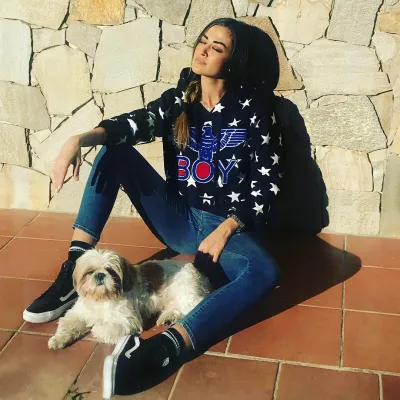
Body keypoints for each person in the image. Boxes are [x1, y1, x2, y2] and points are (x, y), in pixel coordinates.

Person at [23, 18, 284, 397]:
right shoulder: (180, 98)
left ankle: (163, 348)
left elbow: (268, 181)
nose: (204, 50)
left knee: (265, 271)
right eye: (203, 41)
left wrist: (228, 227)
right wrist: (79, 139)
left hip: (228, 228)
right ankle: (73, 271)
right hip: (181, 220)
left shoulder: (254, 108)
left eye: (217, 47)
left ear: (232, 61)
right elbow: (132, 124)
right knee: (114, 152)